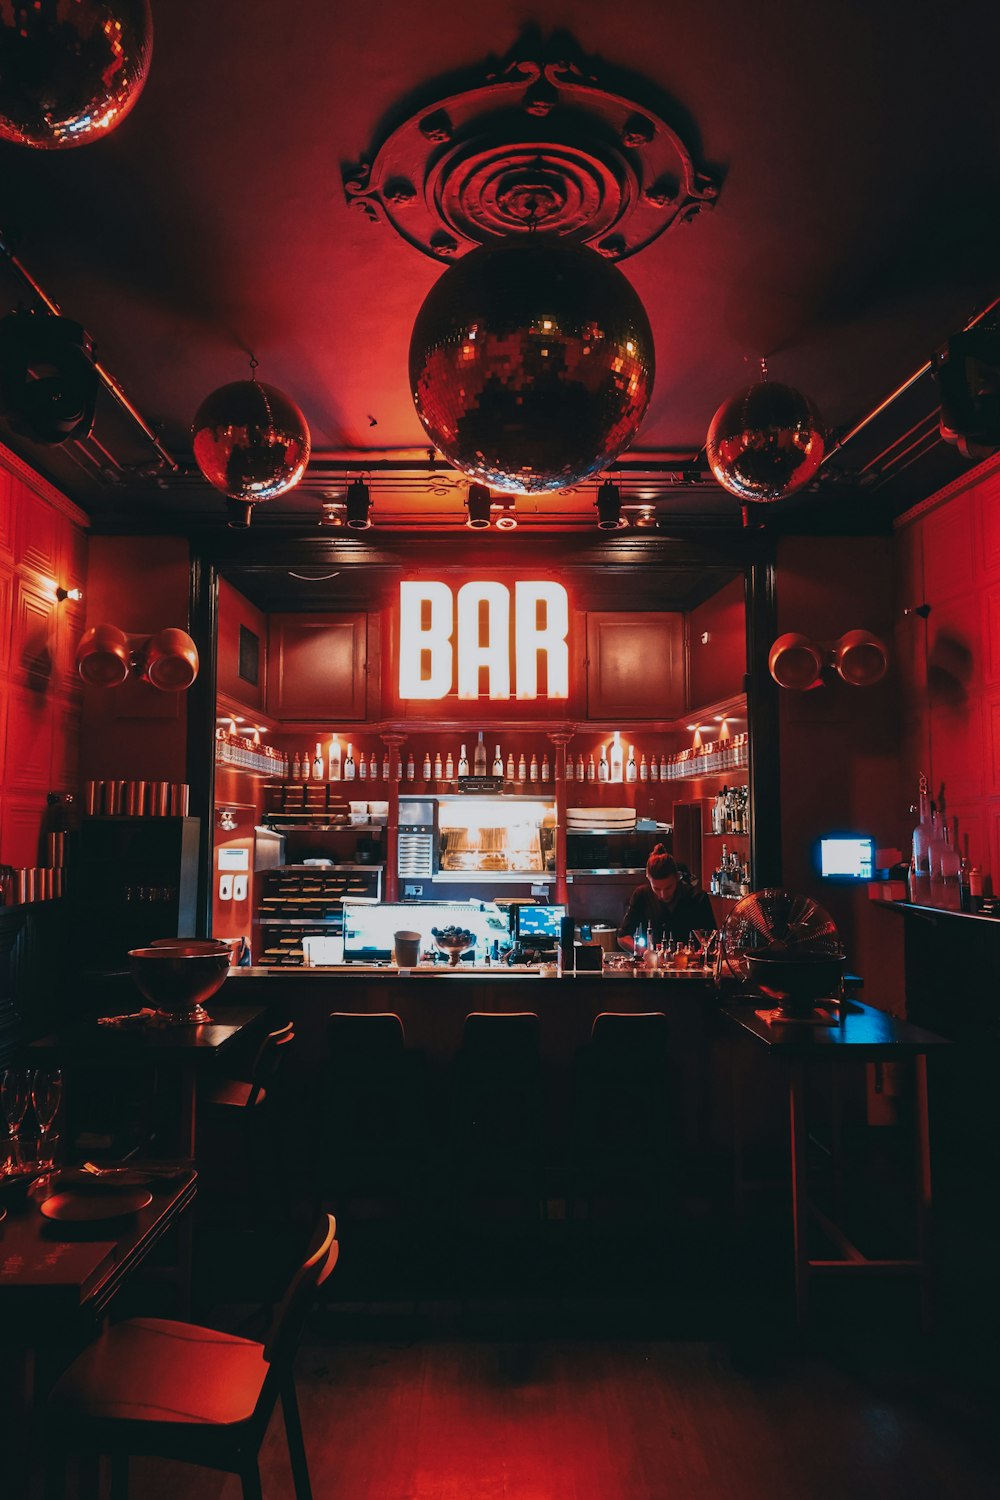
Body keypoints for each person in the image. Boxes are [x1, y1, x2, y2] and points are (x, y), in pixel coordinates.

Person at [616, 845, 715, 953]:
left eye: (668, 887)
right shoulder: (642, 895)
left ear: (677, 877)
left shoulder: (698, 898)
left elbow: (712, 939)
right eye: (657, 889)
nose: (663, 894)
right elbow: (623, 937)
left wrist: (704, 952)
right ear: (648, 878)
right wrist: (646, 953)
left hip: (690, 966)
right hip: (655, 966)